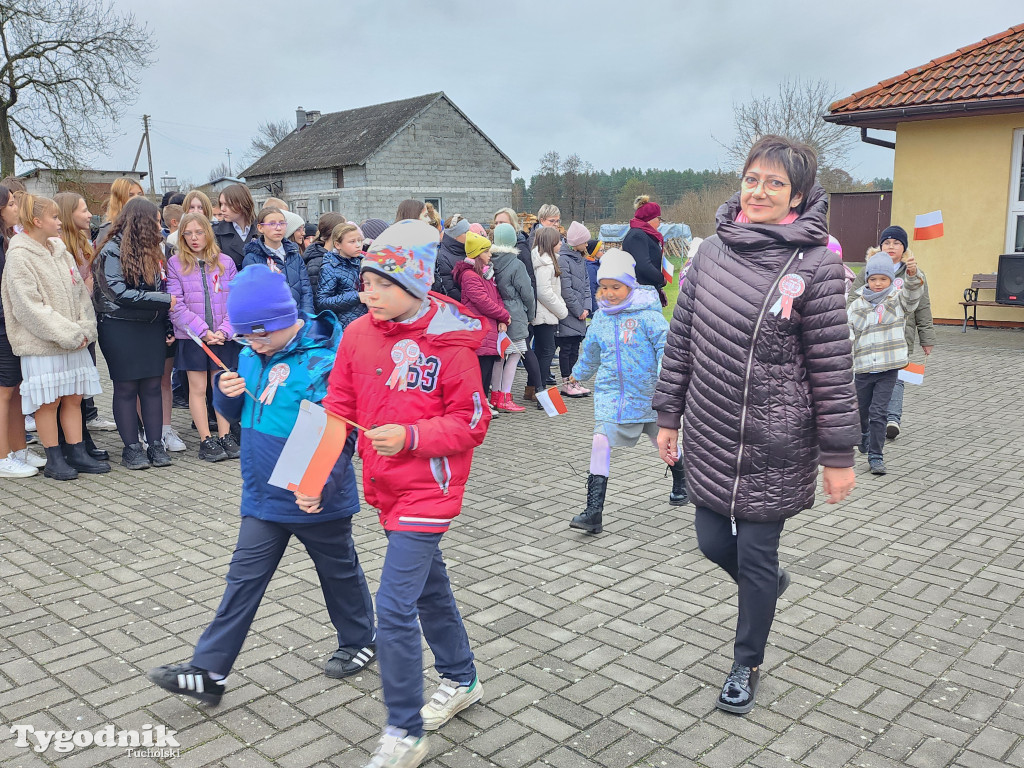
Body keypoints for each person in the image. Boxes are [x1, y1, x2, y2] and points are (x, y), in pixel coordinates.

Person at [653, 135, 859, 716]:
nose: (759, 191)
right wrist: (668, 416)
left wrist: (839, 457)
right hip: (714, 432)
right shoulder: (710, 254)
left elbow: (831, 367)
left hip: (778, 442)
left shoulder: (817, 266)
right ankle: (765, 585)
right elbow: (681, 342)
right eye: (752, 179)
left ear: (797, 197)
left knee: (758, 557)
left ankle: (746, 661)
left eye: (774, 183)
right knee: (713, 542)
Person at [147, 265, 376, 705]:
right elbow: (238, 415)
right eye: (245, 338)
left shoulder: (325, 360)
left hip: (316, 497)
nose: (250, 345)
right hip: (262, 493)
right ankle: (209, 671)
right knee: (242, 581)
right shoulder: (251, 354)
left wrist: (318, 486)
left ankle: (360, 639)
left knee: (339, 572)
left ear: (283, 319)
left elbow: (339, 433)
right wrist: (226, 392)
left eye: (259, 335)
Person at [324, 220, 489, 768]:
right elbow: (339, 409)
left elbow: (472, 421)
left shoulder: (451, 342)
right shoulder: (356, 334)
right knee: (428, 589)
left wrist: (413, 437)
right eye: (365, 280)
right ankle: (462, 677)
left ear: (413, 285)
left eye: (379, 282)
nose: (366, 291)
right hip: (385, 490)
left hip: (431, 491)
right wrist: (314, 478)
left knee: (393, 608)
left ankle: (405, 729)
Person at [568, 249, 676, 533]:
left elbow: (667, 350)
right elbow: (590, 354)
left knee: (662, 445)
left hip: (649, 396)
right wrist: (576, 375)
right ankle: (594, 511)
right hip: (611, 396)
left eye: (616, 287)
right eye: (604, 287)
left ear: (631, 285)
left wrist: (666, 380)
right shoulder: (601, 319)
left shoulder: (649, 318)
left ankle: (682, 478)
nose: (610, 293)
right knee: (600, 441)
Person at [0, 193, 106, 480]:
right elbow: (28, 307)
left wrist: (85, 327)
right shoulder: (19, 257)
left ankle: (78, 451)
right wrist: (67, 332)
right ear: (37, 221)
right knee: (49, 402)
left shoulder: (60, 249)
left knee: (73, 397)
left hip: (73, 340)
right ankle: (54, 458)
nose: (61, 222)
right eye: (55, 217)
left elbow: (78, 291)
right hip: (43, 344)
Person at [94, 197, 177, 470]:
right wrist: (163, 302)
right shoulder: (111, 250)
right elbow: (117, 292)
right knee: (127, 387)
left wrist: (166, 324)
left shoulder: (153, 252)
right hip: (120, 326)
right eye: (155, 220)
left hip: (150, 326)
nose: (160, 225)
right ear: (141, 221)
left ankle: (155, 444)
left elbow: (161, 289)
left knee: (153, 386)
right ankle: (131, 448)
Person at [850, 225, 936, 440]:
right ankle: (868, 420)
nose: (891, 247)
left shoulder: (913, 272)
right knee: (868, 380)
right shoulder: (869, 269)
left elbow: (922, 306)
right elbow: (852, 298)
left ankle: (892, 419)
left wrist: (927, 337)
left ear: (903, 247)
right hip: (869, 337)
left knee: (896, 377)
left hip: (899, 337)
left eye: (896, 243)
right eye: (886, 243)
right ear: (880, 246)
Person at [167, 212, 240, 462]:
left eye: (199, 232)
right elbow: (176, 306)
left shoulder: (226, 262)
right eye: (188, 234)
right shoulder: (175, 264)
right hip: (193, 339)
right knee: (197, 389)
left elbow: (236, 301)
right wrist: (202, 332)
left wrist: (224, 331)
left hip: (222, 338)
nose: (194, 238)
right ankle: (205, 439)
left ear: (208, 233)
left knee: (220, 387)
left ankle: (225, 435)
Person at [847, 251, 922, 475]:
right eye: (873, 279)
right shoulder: (856, 305)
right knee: (861, 412)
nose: (878, 284)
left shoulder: (897, 300)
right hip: (862, 369)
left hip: (887, 369)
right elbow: (847, 333)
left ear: (890, 280)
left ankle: (876, 456)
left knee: (879, 413)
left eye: (883, 279)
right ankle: (863, 435)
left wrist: (912, 275)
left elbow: (912, 296)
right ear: (867, 279)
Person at [54, 191, 117, 444]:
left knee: (85, 372)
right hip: (70, 322)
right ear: (68, 215)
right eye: (83, 210)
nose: (89, 214)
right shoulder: (57, 245)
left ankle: (85, 423)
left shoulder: (84, 240)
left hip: (88, 318)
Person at [0, 185, 43, 478]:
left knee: (14, 391)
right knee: (3, 393)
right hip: (1, 323)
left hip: (10, 325)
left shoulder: (8, 238)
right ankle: (3, 457)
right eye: (12, 203)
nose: (16, 208)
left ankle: (18, 448)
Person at [453, 232, 510, 413]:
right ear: (477, 254)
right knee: (481, 370)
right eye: (486, 251)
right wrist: (504, 314)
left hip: (490, 327)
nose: (490, 255)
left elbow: (497, 297)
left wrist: (502, 317)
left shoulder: (486, 274)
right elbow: (483, 302)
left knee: (487, 368)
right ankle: (479, 403)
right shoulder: (470, 276)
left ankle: (483, 401)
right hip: (479, 328)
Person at [489, 223, 537, 412]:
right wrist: (530, 315)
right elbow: (527, 293)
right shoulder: (516, 264)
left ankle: (494, 396)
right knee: (515, 354)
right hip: (515, 313)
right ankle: (505, 397)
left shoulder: (489, 261)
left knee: (499, 356)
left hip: (496, 313)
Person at [241, 207, 314, 316]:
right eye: (272, 224)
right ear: (260, 228)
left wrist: (307, 317)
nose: (278, 228)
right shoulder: (252, 258)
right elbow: (255, 296)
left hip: (298, 319)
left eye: (282, 223)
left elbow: (305, 289)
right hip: (274, 321)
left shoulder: (294, 254)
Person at [556, 222, 593, 398]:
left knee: (575, 348)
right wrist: (578, 310)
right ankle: (566, 383)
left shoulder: (581, 259)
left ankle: (573, 380)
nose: (587, 245)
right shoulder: (563, 259)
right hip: (570, 313)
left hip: (580, 314)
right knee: (566, 349)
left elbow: (586, 285)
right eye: (584, 241)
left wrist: (587, 307)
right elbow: (566, 289)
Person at [531, 227, 568, 392]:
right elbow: (544, 291)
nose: (561, 243)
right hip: (544, 314)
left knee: (541, 350)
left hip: (543, 313)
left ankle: (533, 387)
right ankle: (541, 388)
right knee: (548, 350)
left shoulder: (544, 261)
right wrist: (561, 310)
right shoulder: (546, 264)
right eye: (558, 240)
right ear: (550, 242)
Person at [315, 222, 367, 329]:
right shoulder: (330, 267)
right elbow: (322, 302)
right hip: (345, 325)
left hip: (366, 321)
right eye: (352, 242)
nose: (358, 245)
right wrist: (356, 296)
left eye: (360, 241)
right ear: (338, 245)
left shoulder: (364, 262)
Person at [622, 195, 667, 305]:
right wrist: (661, 279)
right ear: (650, 219)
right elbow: (643, 266)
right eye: (659, 219)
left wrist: (658, 287)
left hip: (647, 291)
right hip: (640, 294)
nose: (659, 223)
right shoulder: (637, 235)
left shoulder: (644, 235)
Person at [213, 184, 258, 269]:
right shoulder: (216, 233)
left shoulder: (262, 230)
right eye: (221, 204)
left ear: (242, 203)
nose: (222, 209)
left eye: (227, 204)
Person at [95, 177, 144, 247]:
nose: (137, 198)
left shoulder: (146, 226)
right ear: (119, 200)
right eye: (130, 195)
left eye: (140, 194)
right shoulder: (109, 230)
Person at [302, 212, 346, 289]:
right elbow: (316, 294)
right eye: (345, 229)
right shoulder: (317, 262)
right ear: (334, 232)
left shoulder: (341, 255)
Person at [433, 215, 469, 300]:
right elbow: (449, 289)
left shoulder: (468, 250)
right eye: (466, 232)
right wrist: (469, 302)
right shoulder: (442, 257)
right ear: (455, 236)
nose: (470, 234)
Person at [584, 239, 603, 314]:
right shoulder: (591, 268)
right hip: (595, 306)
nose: (603, 253)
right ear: (594, 252)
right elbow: (592, 288)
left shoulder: (597, 264)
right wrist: (595, 309)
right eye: (601, 250)